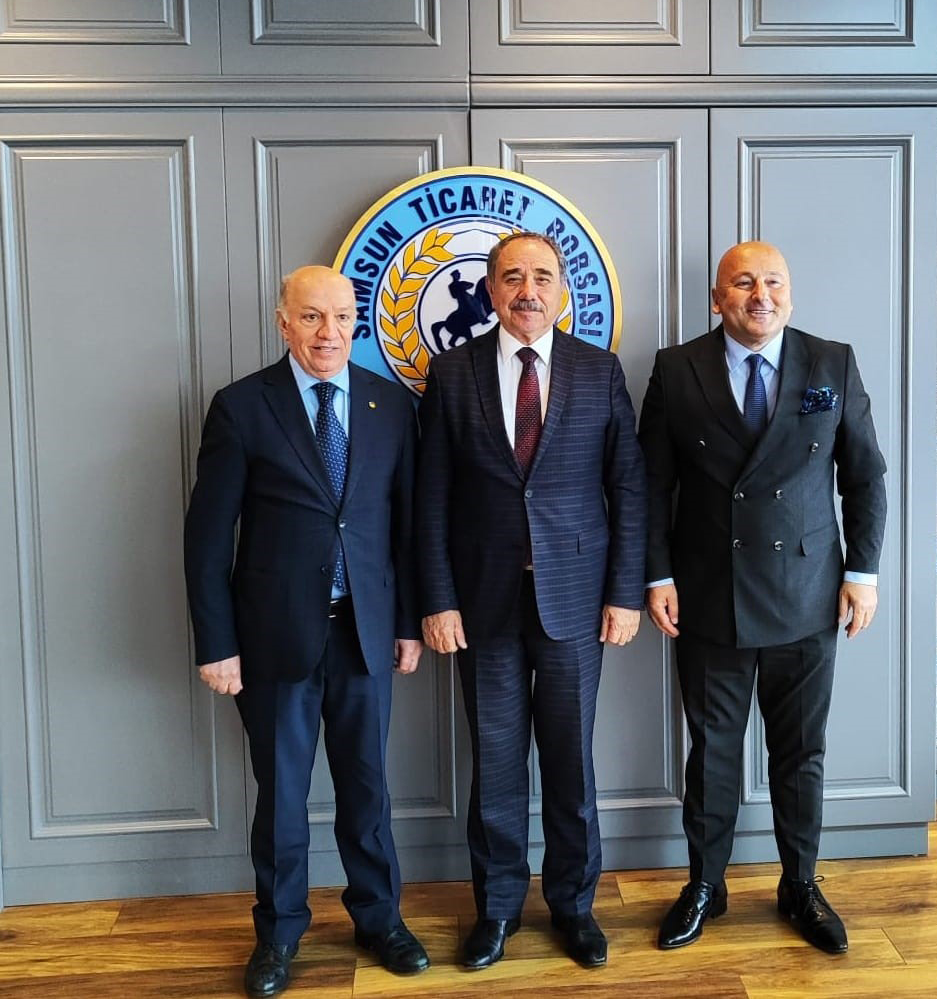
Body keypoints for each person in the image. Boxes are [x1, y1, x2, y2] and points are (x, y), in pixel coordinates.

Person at [184, 265, 430, 997]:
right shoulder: (241, 407)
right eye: (313, 316)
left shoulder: (391, 404)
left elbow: (405, 528)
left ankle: (380, 919)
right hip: (272, 640)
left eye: (343, 317)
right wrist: (217, 643)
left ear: (358, 323)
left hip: (365, 633)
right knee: (284, 797)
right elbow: (207, 540)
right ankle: (279, 933)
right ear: (283, 322)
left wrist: (407, 623)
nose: (330, 333)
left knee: (367, 790)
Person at [637, 241, 887, 955]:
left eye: (773, 281)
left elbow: (864, 476)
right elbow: (650, 485)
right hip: (706, 592)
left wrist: (863, 572)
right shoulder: (675, 368)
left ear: (790, 292)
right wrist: (656, 575)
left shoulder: (831, 361)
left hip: (808, 593)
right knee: (712, 750)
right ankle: (705, 885)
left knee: (800, 752)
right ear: (717, 298)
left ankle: (799, 885)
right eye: (742, 283)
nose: (760, 295)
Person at [416, 233, 646, 971]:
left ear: (562, 291)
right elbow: (430, 498)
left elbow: (628, 487)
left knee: (571, 764)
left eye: (542, 277)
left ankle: (574, 906)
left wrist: (624, 593)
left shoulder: (598, 369)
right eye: (512, 277)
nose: (527, 290)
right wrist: (438, 599)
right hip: (481, 604)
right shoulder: (451, 373)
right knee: (496, 765)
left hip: (576, 601)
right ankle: (498, 909)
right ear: (489, 290)